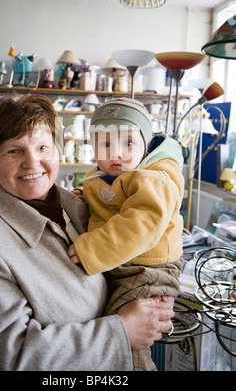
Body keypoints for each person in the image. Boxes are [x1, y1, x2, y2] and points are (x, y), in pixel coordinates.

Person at [0, 94, 175, 371]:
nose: (32, 162)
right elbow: (7, 359)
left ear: (58, 152)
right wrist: (122, 331)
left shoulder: (82, 205)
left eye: (42, 147)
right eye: (14, 151)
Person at [68, 97, 184, 371]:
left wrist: (92, 249)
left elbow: (140, 223)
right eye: (105, 144)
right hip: (125, 265)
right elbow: (105, 198)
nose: (116, 153)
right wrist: (82, 197)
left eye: (128, 143)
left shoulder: (154, 178)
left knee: (126, 332)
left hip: (149, 270)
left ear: (145, 143)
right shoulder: (100, 174)